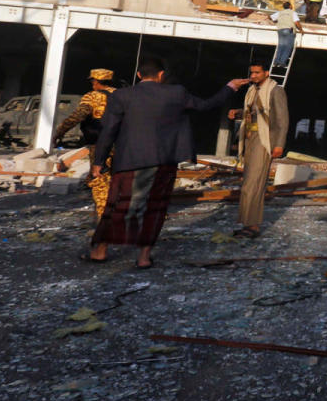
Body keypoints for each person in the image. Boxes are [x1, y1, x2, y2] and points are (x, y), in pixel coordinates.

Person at [87, 57, 246, 268]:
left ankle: (100, 251)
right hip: (163, 161)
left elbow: (108, 130)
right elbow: (207, 105)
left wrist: (99, 161)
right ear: (161, 75)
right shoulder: (176, 93)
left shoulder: (121, 95)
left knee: (118, 206)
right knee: (155, 208)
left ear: (139, 75)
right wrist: (230, 87)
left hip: (129, 160)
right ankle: (144, 257)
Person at [228, 61, 289, 238]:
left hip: (264, 141)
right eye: (251, 72)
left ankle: (252, 226)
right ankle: (248, 223)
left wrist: (279, 144)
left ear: (266, 73)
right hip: (250, 139)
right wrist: (238, 113)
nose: (253, 76)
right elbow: (253, 112)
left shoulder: (276, 91)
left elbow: (282, 120)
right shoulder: (252, 91)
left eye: (256, 73)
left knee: (253, 184)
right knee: (250, 182)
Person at [52, 68, 117, 220]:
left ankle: (104, 222)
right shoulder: (122, 95)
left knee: (100, 181)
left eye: (92, 81)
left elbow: (79, 115)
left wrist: (60, 131)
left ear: (95, 81)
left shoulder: (92, 97)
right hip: (123, 144)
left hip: (100, 145)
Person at [270, 1, 304, 67]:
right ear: (290, 6)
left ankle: (276, 61)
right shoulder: (292, 13)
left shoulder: (280, 12)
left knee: (281, 46)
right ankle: (282, 62)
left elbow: (271, 17)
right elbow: (297, 22)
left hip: (280, 29)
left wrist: (276, 21)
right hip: (289, 30)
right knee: (288, 47)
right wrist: (301, 30)